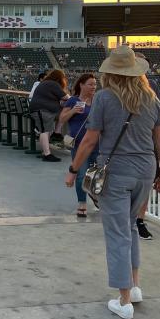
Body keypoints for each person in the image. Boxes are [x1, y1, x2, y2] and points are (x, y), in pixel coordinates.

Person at [65, 45, 160, 319]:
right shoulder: (151, 99)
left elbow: (89, 139)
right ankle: (134, 287)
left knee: (117, 234)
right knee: (131, 227)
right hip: (145, 169)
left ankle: (124, 300)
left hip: (116, 170)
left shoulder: (104, 98)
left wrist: (74, 169)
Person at [59, 73, 97, 217]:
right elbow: (62, 119)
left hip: (97, 143)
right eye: (90, 84)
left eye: (95, 84)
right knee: (81, 174)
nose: (93, 87)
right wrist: (74, 111)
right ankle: (82, 203)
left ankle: (94, 195)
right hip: (79, 144)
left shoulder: (97, 101)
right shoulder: (73, 100)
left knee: (95, 175)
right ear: (81, 85)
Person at [29, 69, 68, 162]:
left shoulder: (46, 83)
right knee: (44, 131)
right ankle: (47, 154)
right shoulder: (52, 84)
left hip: (45, 110)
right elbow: (65, 97)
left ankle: (47, 150)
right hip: (42, 110)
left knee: (46, 131)